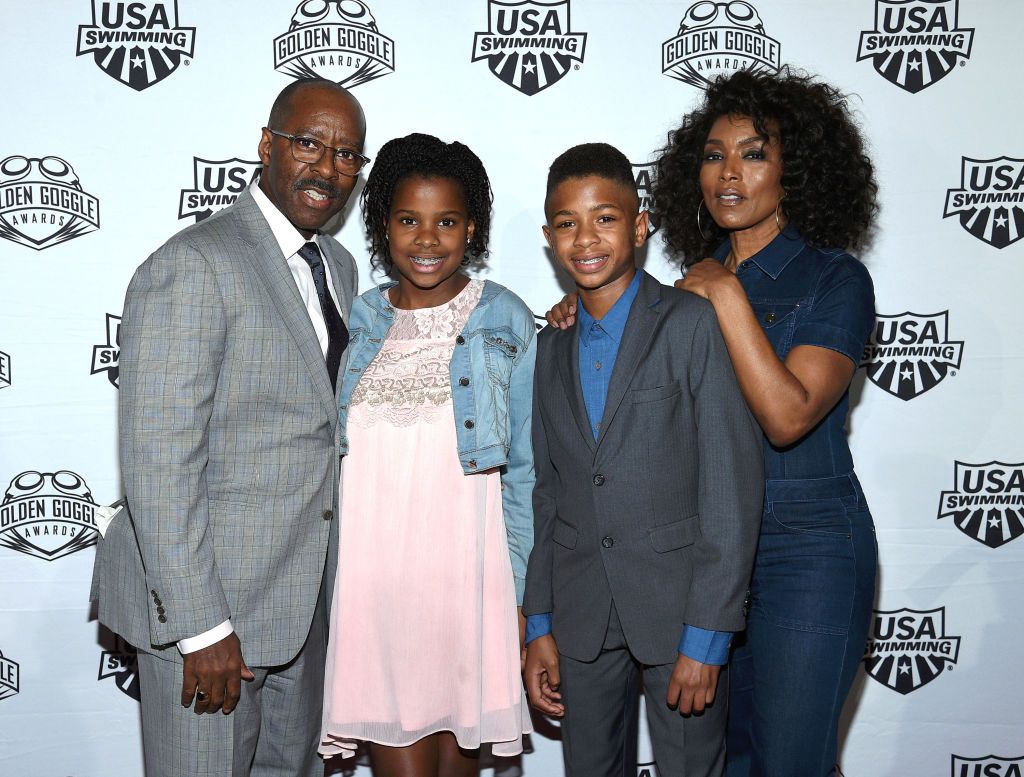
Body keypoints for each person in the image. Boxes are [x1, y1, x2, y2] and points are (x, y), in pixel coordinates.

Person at [546, 70, 879, 777]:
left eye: (754, 153)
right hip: (707, 560)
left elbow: (788, 416)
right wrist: (582, 320)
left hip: (804, 549)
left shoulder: (833, 279)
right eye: (714, 154)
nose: (729, 173)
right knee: (727, 762)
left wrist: (725, 291)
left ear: (798, 168)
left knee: (792, 760)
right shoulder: (684, 288)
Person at [90, 78, 366, 777]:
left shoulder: (337, 264)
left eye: (346, 155)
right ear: (266, 146)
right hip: (214, 619)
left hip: (300, 609)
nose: (327, 166)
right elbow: (157, 462)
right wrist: (201, 627)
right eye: (309, 142)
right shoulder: (193, 265)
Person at [523, 143, 764, 777]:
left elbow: (730, 490)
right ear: (549, 236)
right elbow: (546, 494)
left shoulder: (691, 324)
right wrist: (539, 623)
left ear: (638, 224)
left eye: (604, 218)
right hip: (579, 621)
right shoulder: (549, 347)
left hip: (680, 617)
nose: (585, 238)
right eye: (567, 222)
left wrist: (708, 638)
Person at [318, 133, 535, 777]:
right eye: (409, 220)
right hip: (375, 580)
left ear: (473, 228)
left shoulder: (505, 318)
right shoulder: (353, 320)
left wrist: (521, 590)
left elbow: (526, 469)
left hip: (471, 577)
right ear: (383, 226)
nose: (427, 239)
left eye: (447, 221)